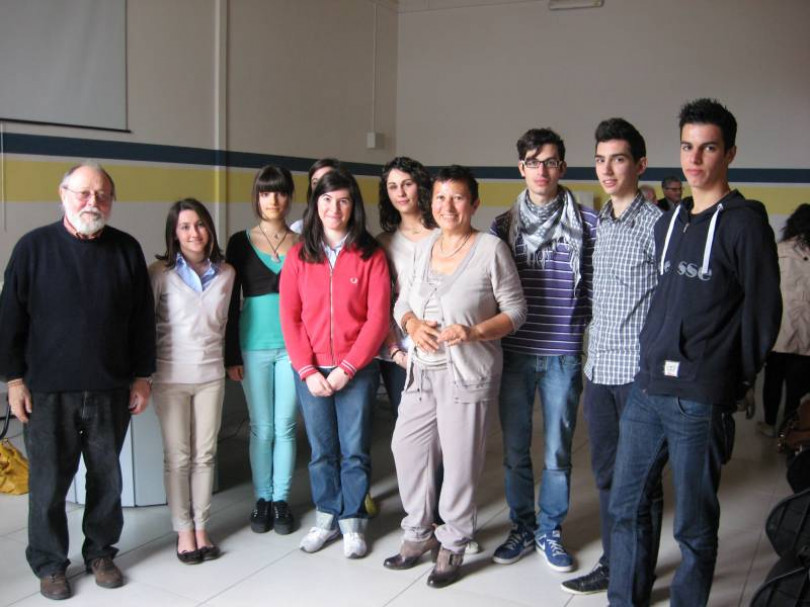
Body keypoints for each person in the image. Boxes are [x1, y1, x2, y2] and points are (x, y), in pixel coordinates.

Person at [608, 99, 782, 607]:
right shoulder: (672, 221)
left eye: (708, 147)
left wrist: (730, 378)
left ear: (729, 152)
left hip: (699, 398)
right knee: (626, 505)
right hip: (648, 389)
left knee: (694, 525)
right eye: (687, 146)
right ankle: (625, 598)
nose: (695, 158)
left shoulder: (745, 225)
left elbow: (763, 312)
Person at [0, 162, 155, 600]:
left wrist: (142, 376)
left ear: (111, 200)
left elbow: (143, 321)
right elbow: (9, 321)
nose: (93, 202)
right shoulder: (33, 249)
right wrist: (14, 380)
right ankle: (50, 564)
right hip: (47, 392)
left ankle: (101, 553)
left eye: (102, 195)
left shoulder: (126, 249)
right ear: (63, 193)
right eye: (84, 193)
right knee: (48, 484)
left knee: (107, 478)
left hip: (110, 388)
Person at [387, 165, 526, 588]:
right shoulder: (425, 245)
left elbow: (516, 311)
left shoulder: (490, 250)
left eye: (458, 198)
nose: (448, 206)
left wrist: (473, 332)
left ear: (474, 204)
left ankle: (454, 542)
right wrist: (410, 325)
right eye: (441, 198)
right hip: (421, 373)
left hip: (468, 373)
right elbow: (401, 303)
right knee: (406, 447)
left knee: (461, 463)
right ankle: (418, 532)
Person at [562, 119, 663, 596]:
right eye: (600, 158)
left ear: (639, 165)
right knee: (605, 474)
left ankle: (634, 580)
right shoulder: (600, 221)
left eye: (618, 158)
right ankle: (613, 562)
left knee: (639, 484)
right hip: (599, 371)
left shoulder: (658, 226)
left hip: (638, 377)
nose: (606, 168)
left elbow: (670, 304)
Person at [490, 128, 597, 572]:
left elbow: (595, 285)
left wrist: (575, 325)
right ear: (521, 168)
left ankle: (549, 530)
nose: (541, 170)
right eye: (533, 162)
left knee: (556, 451)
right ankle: (522, 526)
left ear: (563, 168)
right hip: (514, 354)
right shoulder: (503, 226)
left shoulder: (588, 224)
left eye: (550, 162)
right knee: (515, 450)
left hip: (562, 356)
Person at [279, 167, 390, 559]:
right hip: (310, 372)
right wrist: (307, 370)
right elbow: (289, 317)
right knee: (322, 450)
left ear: (353, 206)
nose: (334, 207)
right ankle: (326, 516)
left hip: (355, 371)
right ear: (315, 204)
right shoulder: (298, 255)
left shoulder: (370, 254)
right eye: (326, 199)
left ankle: (353, 522)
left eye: (343, 200)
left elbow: (377, 319)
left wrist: (348, 367)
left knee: (355, 448)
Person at [150, 199, 235, 564]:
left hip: (210, 375)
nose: (194, 233)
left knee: (205, 454)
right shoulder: (160, 273)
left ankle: (202, 526)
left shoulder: (227, 273)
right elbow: (144, 326)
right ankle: (183, 530)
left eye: (200, 225)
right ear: (174, 233)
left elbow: (229, 324)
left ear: (210, 229)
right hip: (169, 376)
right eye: (185, 226)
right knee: (178, 456)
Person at [225, 166, 299, 535]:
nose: (274, 200)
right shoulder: (240, 242)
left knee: (285, 427)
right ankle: (263, 499)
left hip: (294, 348)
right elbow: (228, 303)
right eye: (266, 192)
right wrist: (231, 355)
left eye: (281, 192)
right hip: (252, 346)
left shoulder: (303, 243)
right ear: (256, 197)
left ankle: (281, 499)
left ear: (289, 197)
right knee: (262, 427)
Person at [376, 157, 438, 414]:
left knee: (441, 424)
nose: (400, 193)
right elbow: (381, 300)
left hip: (435, 339)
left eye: (407, 184)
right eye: (392, 186)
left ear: (420, 186)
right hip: (396, 344)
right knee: (406, 421)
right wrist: (393, 348)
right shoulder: (383, 242)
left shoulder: (442, 234)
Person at [759, 203, 810, 437]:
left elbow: (766, 290)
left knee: (773, 379)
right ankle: (789, 425)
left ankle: (769, 423)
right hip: (806, 330)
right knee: (797, 384)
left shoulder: (779, 250)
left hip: (780, 327)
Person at [290, 158, 343, 235]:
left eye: (326, 181)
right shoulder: (299, 229)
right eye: (315, 183)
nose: (319, 187)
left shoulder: (355, 232)